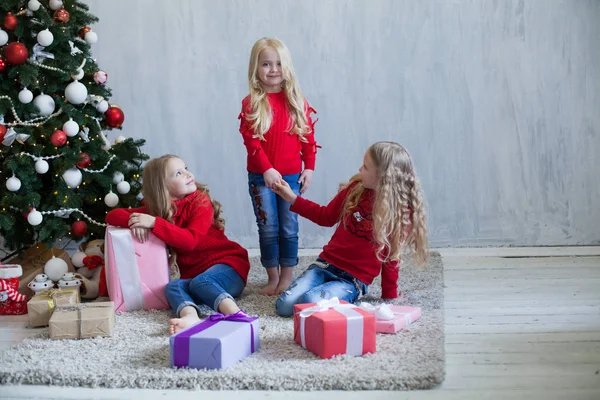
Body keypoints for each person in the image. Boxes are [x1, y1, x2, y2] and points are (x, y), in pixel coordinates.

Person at [271, 141, 429, 317]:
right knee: (284, 306)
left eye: (366, 167)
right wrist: (292, 198)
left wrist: (389, 297)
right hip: (324, 266)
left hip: (352, 281)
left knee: (308, 303)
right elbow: (325, 216)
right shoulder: (355, 189)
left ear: (382, 176)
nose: (360, 169)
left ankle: (339, 296)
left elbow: (391, 257)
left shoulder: (399, 211)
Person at [105, 155, 251, 334]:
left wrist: (153, 223)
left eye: (186, 168)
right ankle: (190, 316)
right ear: (163, 187)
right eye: (178, 173)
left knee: (201, 282)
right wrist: (136, 220)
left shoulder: (200, 201)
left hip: (229, 267)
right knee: (172, 287)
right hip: (197, 277)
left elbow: (190, 240)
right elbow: (112, 215)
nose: (188, 174)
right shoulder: (158, 210)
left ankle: (236, 314)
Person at [238, 37, 319, 295]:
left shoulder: (296, 101)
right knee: (268, 225)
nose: (273, 69)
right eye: (266, 64)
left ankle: (286, 277)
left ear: (287, 67)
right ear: (255, 68)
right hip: (262, 177)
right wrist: (266, 169)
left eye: (278, 63)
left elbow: (307, 136)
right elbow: (252, 142)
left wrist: (309, 167)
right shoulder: (251, 104)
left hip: (292, 175)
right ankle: (272, 278)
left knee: (289, 225)